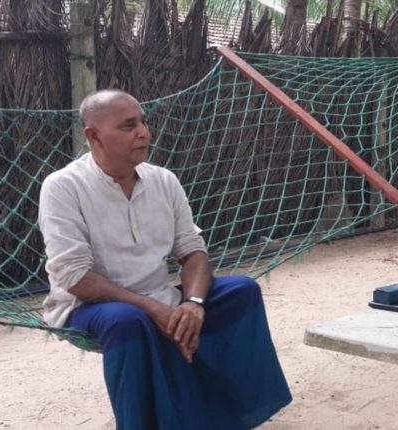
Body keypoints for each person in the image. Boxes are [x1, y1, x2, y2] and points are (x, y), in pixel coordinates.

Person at [38, 89, 292, 429]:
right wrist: (155, 310)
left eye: (143, 122)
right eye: (129, 126)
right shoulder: (63, 187)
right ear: (93, 136)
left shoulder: (163, 181)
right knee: (128, 320)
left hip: (162, 298)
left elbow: (192, 250)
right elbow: (75, 277)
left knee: (242, 291)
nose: (143, 132)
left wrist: (193, 304)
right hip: (89, 307)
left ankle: (231, 412)